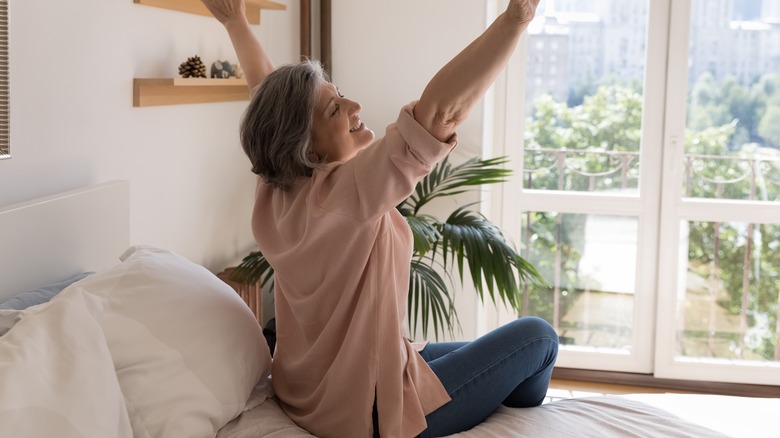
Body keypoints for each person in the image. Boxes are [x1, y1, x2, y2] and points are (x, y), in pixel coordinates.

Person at [201, 1, 558, 437]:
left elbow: (266, 93)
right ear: (308, 147)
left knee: (485, 351)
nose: (354, 104)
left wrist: (235, 21)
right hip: (368, 408)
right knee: (539, 339)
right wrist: (515, 18)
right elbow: (439, 113)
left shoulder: (275, 188)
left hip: (309, 392)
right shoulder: (344, 195)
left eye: (339, 94)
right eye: (335, 109)